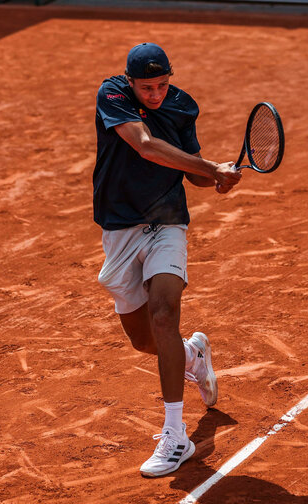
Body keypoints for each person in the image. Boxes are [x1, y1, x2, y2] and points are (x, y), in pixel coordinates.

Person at [93, 42, 242, 477]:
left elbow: (193, 175)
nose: (155, 94)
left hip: (166, 223)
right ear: (130, 81)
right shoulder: (113, 94)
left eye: (162, 85)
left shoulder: (182, 107)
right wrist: (211, 168)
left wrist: (217, 175)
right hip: (119, 228)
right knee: (145, 342)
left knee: (164, 316)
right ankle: (193, 356)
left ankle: (175, 437)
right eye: (147, 87)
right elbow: (144, 145)